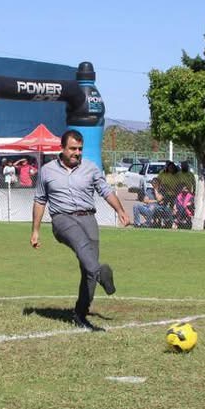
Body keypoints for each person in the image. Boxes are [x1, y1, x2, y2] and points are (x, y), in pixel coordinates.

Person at [31, 130, 131, 330]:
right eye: (73, 149)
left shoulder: (91, 169)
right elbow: (40, 201)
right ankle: (102, 274)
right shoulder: (47, 171)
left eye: (80, 149)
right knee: (82, 246)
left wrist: (120, 210)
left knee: (88, 269)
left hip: (88, 219)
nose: (77, 153)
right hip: (62, 219)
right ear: (62, 148)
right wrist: (35, 230)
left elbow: (106, 191)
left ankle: (80, 313)